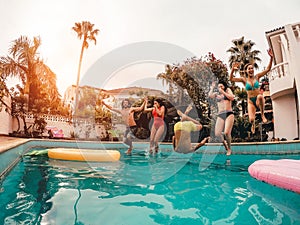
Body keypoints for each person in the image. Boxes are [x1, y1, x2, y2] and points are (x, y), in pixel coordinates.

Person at [229, 49, 273, 134]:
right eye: (249, 69)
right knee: (251, 119)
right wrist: (232, 70)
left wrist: (271, 58)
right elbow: (231, 79)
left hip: (258, 100)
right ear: (246, 71)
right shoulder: (244, 80)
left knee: (260, 96)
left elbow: (268, 69)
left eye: (252, 68)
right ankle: (253, 125)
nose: (251, 70)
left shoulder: (257, 77)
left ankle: (262, 114)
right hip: (250, 102)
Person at [209, 81, 235, 155]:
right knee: (217, 134)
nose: (220, 88)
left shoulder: (227, 90)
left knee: (226, 132)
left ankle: (229, 149)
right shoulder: (217, 94)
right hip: (220, 114)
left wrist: (223, 92)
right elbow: (210, 95)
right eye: (219, 87)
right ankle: (225, 145)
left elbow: (232, 98)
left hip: (229, 113)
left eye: (222, 86)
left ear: (224, 86)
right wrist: (212, 87)